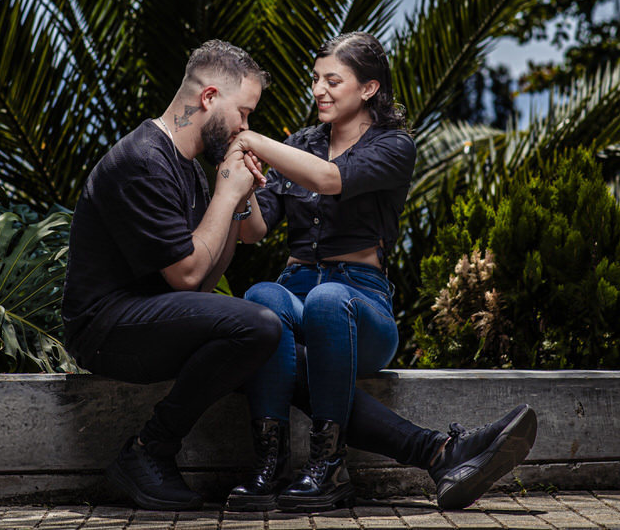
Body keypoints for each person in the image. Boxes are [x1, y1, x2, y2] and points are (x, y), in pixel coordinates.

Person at [224, 31, 538, 512]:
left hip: (358, 301)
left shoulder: (394, 146)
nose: (319, 91)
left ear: (368, 88)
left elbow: (329, 180)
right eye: (315, 80)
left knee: (329, 302)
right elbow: (253, 233)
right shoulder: (300, 144)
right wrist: (243, 185)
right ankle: (272, 465)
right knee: (262, 298)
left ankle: (327, 467)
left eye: (333, 80)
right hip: (295, 289)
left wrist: (256, 140)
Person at [61, 40, 279, 511]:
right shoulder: (143, 159)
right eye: (243, 113)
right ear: (208, 98)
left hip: (153, 316)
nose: (246, 127)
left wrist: (238, 197)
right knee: (260, 325)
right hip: (105, 327)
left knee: (289, 353)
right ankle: (148, 451)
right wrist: (226, 193)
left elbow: (205, 276)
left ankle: (428, 450)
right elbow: (186, 277)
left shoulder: (192, 172)